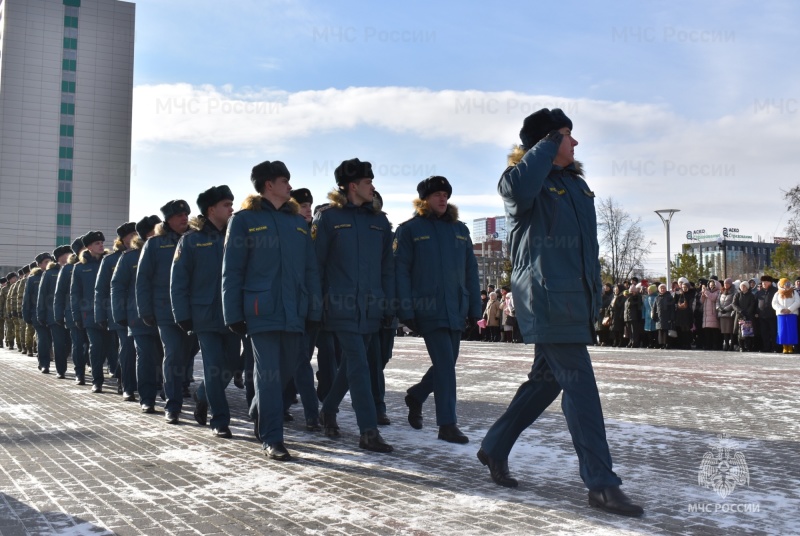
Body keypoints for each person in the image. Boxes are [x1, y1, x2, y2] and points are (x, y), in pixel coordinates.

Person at [477, 108, 642, 516]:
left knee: (545, 382)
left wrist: (595, 299)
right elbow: (515, 188)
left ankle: (494, 446)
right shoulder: (523, 184)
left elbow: (588, 252)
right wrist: (547, 142)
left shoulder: (575, 185)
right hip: (547, 300)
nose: (575, 143)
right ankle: (601, 484)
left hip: (572, 302)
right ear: (547, 142)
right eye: (567, 136)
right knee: (580, 388)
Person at [222, 160, 322, 461]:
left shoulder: (296, 223)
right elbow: (232, 270)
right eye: (284, 181)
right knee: (268, 375)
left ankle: (259, 411)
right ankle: (272, 438)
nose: (290, 187)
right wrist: (233, 314)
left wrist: (314, 307)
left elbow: (310, 269)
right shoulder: (244, 220)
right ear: (268, 185)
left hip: (295, 309)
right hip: (260, 309)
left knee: (288, 373)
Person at [313, 158, 395, 453]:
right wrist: (316, 305)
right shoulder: (329, 219)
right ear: (352, 186)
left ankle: (328, 409)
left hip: (372, 307)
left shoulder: (380, 221)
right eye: (368, 182)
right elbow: (316, 266)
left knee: (351, 366)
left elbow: (388, 268)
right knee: (359, 365)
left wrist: (388, 304)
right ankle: (368, 431)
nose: (373, 186)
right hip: (339, 306)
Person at [395, 175, 481, 444]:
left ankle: (417, 395)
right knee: (445, 364)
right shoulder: (409, 229)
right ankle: (447, 424)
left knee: (447, 363)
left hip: (455, 305)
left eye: (445, 194)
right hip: (428, 307)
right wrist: (406, 309)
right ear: (425, 200)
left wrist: (475, 309)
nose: (442, 198)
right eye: (436, 195)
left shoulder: (460, 230)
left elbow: (471, 270)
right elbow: (401, 271)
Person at [171, 185, 241, 438]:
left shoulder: (237, 236)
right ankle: (220, 420)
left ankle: (203, 394)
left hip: (233, 315)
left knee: (232, 364)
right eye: (226, 204)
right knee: (213, 367)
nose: (231, 209)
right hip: (204, 316)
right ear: (211, 209)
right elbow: (178, 281)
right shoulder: (190, 240)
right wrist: (183, 314)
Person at [138, 200, 194, 423]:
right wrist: (146, 311)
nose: (184, 218)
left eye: (186, 214)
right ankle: (173, 404)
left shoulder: (194, 240)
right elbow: (143, 281)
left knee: (184, 357)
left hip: (192, 312)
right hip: (166, 312)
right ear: (168, 220)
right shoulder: (154, 245)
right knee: (172, 355)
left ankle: (178, 391)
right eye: (179, 215)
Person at [112, 215, 162, 413]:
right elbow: (117, 286)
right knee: (143, 356)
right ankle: (144, 396)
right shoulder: (130, 257)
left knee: (167, 356)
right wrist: (120, 314)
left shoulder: (168, 250)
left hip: (164, 314)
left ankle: (167, 390)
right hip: (137, 316)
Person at [95, 222, 137, 398]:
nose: (135, 237)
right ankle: (127, 386)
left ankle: (124, 376)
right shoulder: (110, 260)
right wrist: (101, 314)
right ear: (122, 239)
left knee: (137, 351)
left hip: (140, 311)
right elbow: (101, 289)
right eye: (131, 234)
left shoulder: (141, 254)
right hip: (119, 313)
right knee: (127, 348)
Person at [71, 231, 109, 393]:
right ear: (88, 247)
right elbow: (75, 294)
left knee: (113, 348)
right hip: (90, 313)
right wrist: (76, 315)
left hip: (110, 312)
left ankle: (122, 380)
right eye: (97, 243)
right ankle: (97, 380)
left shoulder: (109, 262)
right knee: (96, 347)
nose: (101, 245)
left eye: (101, 242)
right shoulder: (80, 268)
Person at [54, 237, 88, 384]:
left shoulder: (100, 263)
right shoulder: (68, 269)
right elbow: (59, 294)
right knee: (77, 344)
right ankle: (79, 373)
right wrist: (58, 314)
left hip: (93, 312)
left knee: (95, 345)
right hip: (73, 312)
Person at [38, 246, 73, 379]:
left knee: (69, 344)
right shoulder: (50, 273)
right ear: (59, 258)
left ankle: (63, 363)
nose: (70, 255)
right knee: (58, 343)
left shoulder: (73, 269)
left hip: (71, 313)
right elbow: (42, 295)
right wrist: (41, 314)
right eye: (67, 254)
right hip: (53, 314)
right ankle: (60, 369)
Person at [23, 252, 54, 372]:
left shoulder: (55, 275)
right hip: (37, 314)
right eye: (46, 262)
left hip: (52, 314)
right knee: (43, 339)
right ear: (39, 264)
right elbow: (27, 299)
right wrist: (26, 316)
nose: (48, 264)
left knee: (52, 340)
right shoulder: (33, 279)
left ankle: (48, 360)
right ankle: (44, 364)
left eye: (50, 261)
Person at [772, 277, 800, 353]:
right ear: (781, 285)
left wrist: (789, 309)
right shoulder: (777, 293)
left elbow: (797, 302)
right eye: (785, 284)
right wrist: (781, 309)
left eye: (788, 284)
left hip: (792, 314)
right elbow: (774, 303)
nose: (787, 285)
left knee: (791, 331)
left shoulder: (794, 292)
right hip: (781, 315)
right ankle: (784, 347)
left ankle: (790, 347)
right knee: (782, 331)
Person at [755, 275, 778, 353]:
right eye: (763, 282)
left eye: (766, 282)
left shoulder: (775, 291)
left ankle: (775, 347)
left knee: (773, 332)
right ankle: (766, 347)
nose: (764, 283)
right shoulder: (759, 292)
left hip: (772, 315)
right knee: (764, 333)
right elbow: (755, 303)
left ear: (770, 283)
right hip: (762, 316)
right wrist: (756, 312)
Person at [732, 281, 757, 352]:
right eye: (742, 286)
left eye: (744, 286)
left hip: (748, 316)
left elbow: (752, 305)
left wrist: (747, 312)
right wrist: (741, 311)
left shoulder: (751, 295)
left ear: (747, 287)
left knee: (748, 331)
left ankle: (748, 346)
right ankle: (741, 346)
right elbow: (734, 304)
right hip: (739, 316)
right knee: (740, 332)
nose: (743, 287)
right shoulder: (737, 295)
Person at [700, 280, 721, 350]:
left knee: (714, 332)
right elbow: (701, 301)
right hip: (706, 315)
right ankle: (708, 345)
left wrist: (706, 292)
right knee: (707, 332)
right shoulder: (707, 292)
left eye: (713, 286)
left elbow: (713, 298)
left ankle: (715, 345)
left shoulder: (718, 292)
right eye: (710, 285)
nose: (711, 287)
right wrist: (703, 294)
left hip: (713, 314)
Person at [653, 284, 675, 349]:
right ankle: (662, 344)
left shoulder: (669, 297)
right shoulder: (657, 298)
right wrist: (654, 316)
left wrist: (672, 317)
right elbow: (654, 308)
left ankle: (667, 344)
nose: (662, 289)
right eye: (661, 288)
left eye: (664, 288)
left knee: (666, 331)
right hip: (659, 317)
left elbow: (672, 308)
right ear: (659, 289)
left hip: (667, 317)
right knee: (660, 331)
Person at [717, 278, 736, 351]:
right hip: (722, 314)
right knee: (724, 331)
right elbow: (717, 301)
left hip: (729, 314)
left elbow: (733, 303)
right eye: (725, 284)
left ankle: (732, 345)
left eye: (727, 283)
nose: (726, 285)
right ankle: (726, 344)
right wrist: (719, 308)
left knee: (730, 331)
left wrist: (726, 309)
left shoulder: (734, 292)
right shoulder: (721, 291)